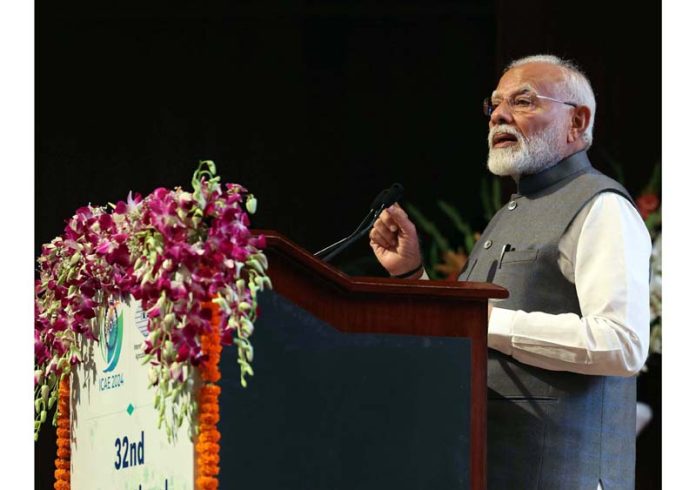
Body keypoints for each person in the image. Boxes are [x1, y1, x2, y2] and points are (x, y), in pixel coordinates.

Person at [369, 54, 650, 490]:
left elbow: (622, 344)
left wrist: (490, 323)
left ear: (577, 122)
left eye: (523, 101)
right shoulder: (511, 212)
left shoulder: (602, 207)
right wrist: (412, 278)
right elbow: (469, 334)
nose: (499, 115)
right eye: (495, 104)